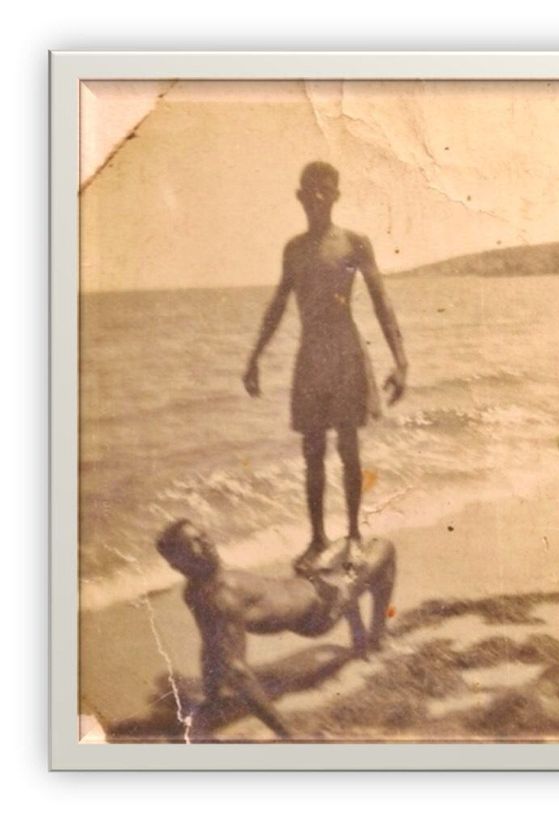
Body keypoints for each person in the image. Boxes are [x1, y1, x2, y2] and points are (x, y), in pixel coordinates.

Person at [243, 161, 408, 573]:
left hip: (347, 353)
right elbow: (279, 304)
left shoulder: (354, 243)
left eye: (326, 191)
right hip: (311, 355)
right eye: (310, 191)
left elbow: (381, 302)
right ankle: (317, 538)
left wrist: (401, 360)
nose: (317, 198)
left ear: (336, 196)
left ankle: (353, 534)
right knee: (311, 451)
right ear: (299, 196)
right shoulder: (294, 249)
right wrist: (255, 358)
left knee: (349, 447)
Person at [156, 519, 396, 739]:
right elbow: (237, 671)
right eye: (192, 545)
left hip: (310, 585)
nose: (205, 544)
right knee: (384, 548)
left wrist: (212, 698)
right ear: (176, 563)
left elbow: (212, 646)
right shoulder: (219, 597)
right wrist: (288, 732)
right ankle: (376, 637)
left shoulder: (196, 589)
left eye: (202, 536)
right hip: (321, 610)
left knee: (346, 548)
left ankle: (361, 636)